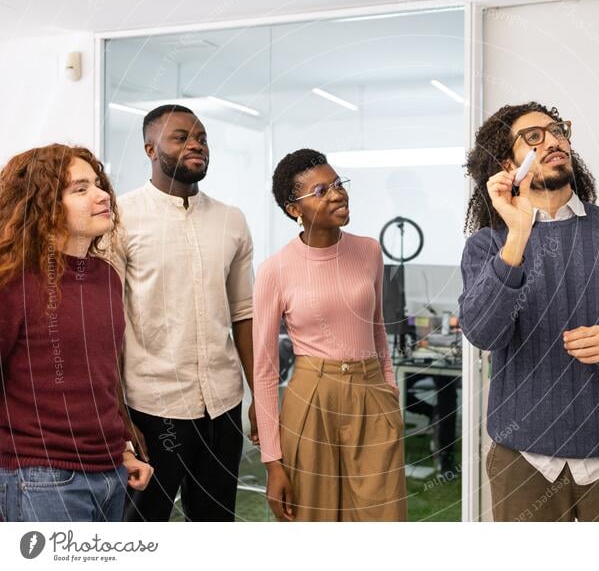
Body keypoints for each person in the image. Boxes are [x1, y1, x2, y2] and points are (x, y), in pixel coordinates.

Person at [459, 102, 599, 522]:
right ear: (509, 164)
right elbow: (482, 334)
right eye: (533, 137)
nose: (552, 141)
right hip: (523, 463)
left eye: (557, 131)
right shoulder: (489, 246)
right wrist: (518, 235)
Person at [115, 105, 255, 522]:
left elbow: (243, 313)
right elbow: (108, 325)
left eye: (202, 137)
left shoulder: (232, 220)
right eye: (181, 137)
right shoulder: (121, 218)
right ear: (150, 148)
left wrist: (259, 399)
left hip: (223, 405)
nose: (197, 144)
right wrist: (119, 416)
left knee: (214, 524)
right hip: (152, 408)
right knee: (140, 529)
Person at [0, 144, 153, 522]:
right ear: (43, 204)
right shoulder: (12, 281)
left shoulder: (106, 277)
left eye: (98, 184)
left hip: (111, 474)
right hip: (39, 478)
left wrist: (123, 449)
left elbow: (101, 378)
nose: (103, 195)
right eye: (80, 189)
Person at [253, 149, 407, 522]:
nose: (338, 194)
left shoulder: (369, 251)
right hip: (311, 398)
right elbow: (265, 371)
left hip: (371, 395)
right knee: (315, 522)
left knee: (382, 518)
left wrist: (389, 390)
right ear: (295, 209)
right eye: (322, 190)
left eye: (339, 184)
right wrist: (273, 463)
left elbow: (377, 330)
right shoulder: (275, 270)